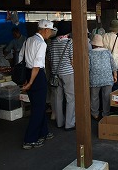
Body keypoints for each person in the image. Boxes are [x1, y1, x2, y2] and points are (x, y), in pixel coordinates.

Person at [19, 19, 57, 149]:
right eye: (51, 31)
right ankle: (30, 139)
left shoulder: (28, 40)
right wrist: (30, 82)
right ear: (45, 29)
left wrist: (26, 78)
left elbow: (21, 58)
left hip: (29, 72)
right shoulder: (41, 43)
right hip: (37, 75)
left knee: (37, 105)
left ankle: (44, 132)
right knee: (38, 109)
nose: (51, 33)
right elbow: (37, 64)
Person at [48, 20, 75, 131]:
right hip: (68, 73)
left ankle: (59, 122)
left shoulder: (52, 43)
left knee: (58, 99)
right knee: (70, 98)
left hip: (55, 74)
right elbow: (72, 60)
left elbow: (49, 59)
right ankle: (69, 124)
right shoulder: (69, 42)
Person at [88, 34, 117, 120]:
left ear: (93, 44)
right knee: (106, 97)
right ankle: (106, 114)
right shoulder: (107, 52)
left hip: (94, 79)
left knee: (94, 97)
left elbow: (88, 67)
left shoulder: (90, 53)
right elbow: (113, 65)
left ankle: (95, 114)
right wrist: (115, 75)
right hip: (108, 78)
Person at [103, 20, 118, 89]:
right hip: (116, 64)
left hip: (105, 64)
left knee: (106, 86)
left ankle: (105, 99)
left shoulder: (104, 36)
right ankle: (114, 99)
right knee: (115, 85)